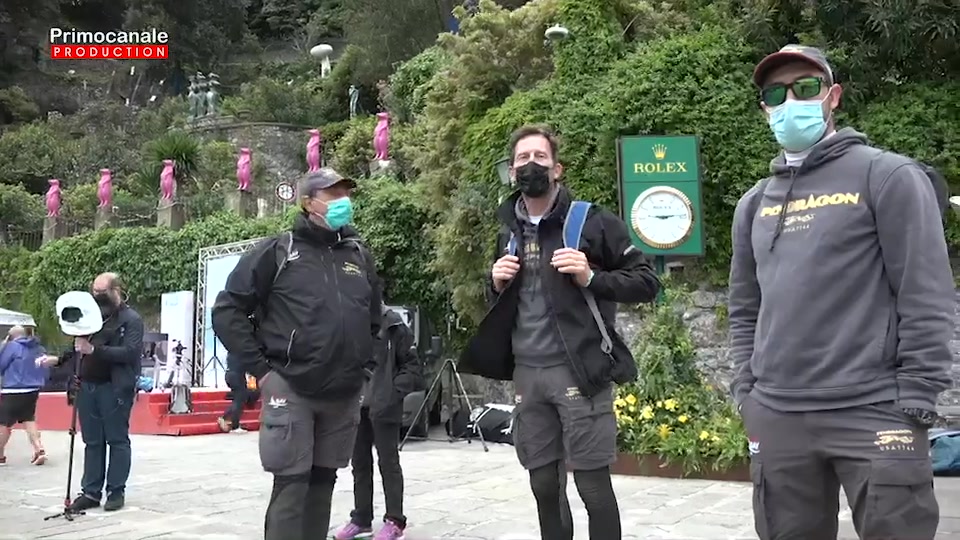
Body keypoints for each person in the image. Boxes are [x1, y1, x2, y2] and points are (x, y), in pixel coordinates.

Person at [729, 45, 952, 540]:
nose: (791, 101)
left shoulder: (888, 177)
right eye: (775, 93)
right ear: (764, 107)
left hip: (874, 410)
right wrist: (748, 392)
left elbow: (926, 293)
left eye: (805, 88)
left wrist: (917, 393)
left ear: (833, 97)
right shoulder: (752, 205)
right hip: (779, 416)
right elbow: (745, 309)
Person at [459, 124, 661, 539]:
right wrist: (493, 283)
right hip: (528, 375)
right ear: (511, 171)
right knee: (543, 485)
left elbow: (646, 282)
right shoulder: (508, 229)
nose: (530, 165)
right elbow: (511, 298)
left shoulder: (592, 221)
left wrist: (591, 276)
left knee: (592, 485)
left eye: (539, 158)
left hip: (579, 370)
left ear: (557, 168)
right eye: (521, 159)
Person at [212, 167, 382, 540]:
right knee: (291, 486)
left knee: (323, 485)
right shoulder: (278, 250)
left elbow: (373, 319)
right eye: (333, 195)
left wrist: (364, 369)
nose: (343, 202)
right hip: (292, 389)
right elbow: (227, 311)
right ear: (309, 203)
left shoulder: (358, 256)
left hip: (343, 392)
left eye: (345, 194)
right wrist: (263, 372)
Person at [52, 273, 144, 512]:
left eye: (102, 293)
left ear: (116, 290)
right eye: (94, 292)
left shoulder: (130, 319)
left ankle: (116, 490)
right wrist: (59, 359)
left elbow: (130, 353)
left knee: (117, 439)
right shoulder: (91, 316)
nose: (98, 298)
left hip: (114, 387)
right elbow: (76, 344)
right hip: (87, 386)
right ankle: (91, 491)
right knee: (92, 441)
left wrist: (95, 350)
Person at [335, 302, 422, 540]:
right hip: (355, 405)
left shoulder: (394, 325)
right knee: (360, 465)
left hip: (384, 406)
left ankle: (395, 522)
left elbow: (412, 367)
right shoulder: (348, 321)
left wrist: (393, 393)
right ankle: (361, 520)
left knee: (389, 464)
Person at [0, 326, 57, 466]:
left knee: (4, 423)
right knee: (28, 419)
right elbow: (46, 368)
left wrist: (3, 346)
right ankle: (39, 449)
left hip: (13, 389)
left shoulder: (12, 347)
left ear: (11, 336)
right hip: (33, 389)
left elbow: (1, 366)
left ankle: (0, 455)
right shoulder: (38, 348)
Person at [217, 352, 258, 433]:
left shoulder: (231, 352)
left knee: (239, 398)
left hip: (230, 375)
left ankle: (230, 420)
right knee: (239, 400)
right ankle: (232, 423)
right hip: (236, 376)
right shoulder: (241, 352)